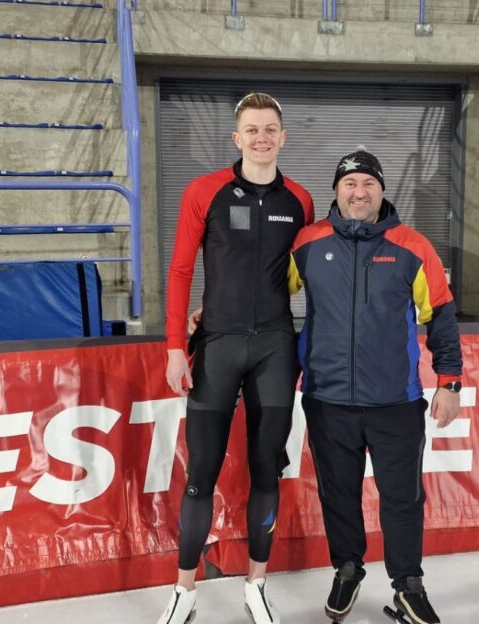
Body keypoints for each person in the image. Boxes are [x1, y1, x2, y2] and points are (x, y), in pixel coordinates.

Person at [157, 92, 315, 624]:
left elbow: (309, 275)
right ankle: (184, 591)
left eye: (270, 128)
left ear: (283, 138)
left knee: (266, 472)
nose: (261, 137)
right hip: (218, 346)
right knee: (200, 473)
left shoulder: (301, 199)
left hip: (275, 346)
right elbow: (180, 272)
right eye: (252, 129)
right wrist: (175, 347)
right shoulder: (205, 191)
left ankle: (256, 584)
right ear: (237, 137)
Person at [290, 149, 462, 624]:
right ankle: (347, 568)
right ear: (336, 191)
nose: (359, 192)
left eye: (368, 183)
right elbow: (264, 295)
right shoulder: (307, 243)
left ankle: (408, 584)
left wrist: (450, 381)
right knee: (338, 494)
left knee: (403, 497)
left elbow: (441, 314)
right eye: (350, 184)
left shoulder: (412, 246)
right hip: (327, 400)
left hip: (395, 402)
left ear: (382, 191)